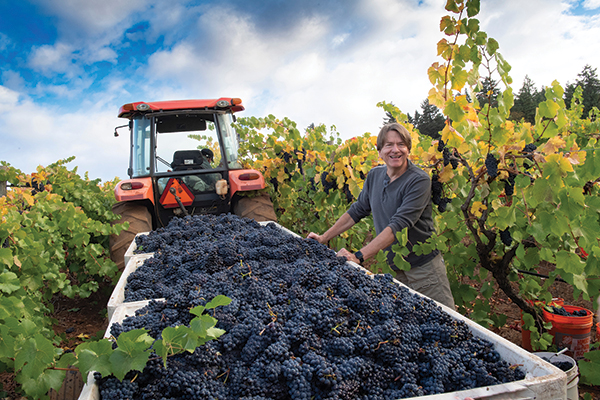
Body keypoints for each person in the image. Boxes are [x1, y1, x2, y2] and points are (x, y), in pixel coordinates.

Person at [307, 123, 455, 308]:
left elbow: (398, 226)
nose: (396, 150)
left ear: (408, 149)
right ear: (380, 151)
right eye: (389, 145)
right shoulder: (375, 176)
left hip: (424, 270)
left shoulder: (419, 180)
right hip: (396, 265)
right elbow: (357, 210)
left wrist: (358, 256)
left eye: (401, 144)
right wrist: (323, 237)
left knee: (444, 324)